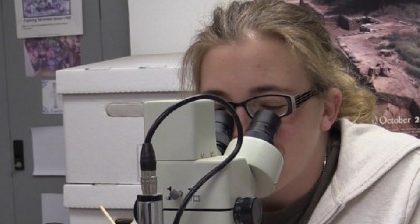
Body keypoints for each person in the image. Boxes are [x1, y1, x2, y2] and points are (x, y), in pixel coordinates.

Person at [180, 0, 420, 223]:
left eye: (270, 107)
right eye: (218, 110)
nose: (238, 135)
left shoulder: (407, 184)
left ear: (328, 109)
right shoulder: (181, 187)